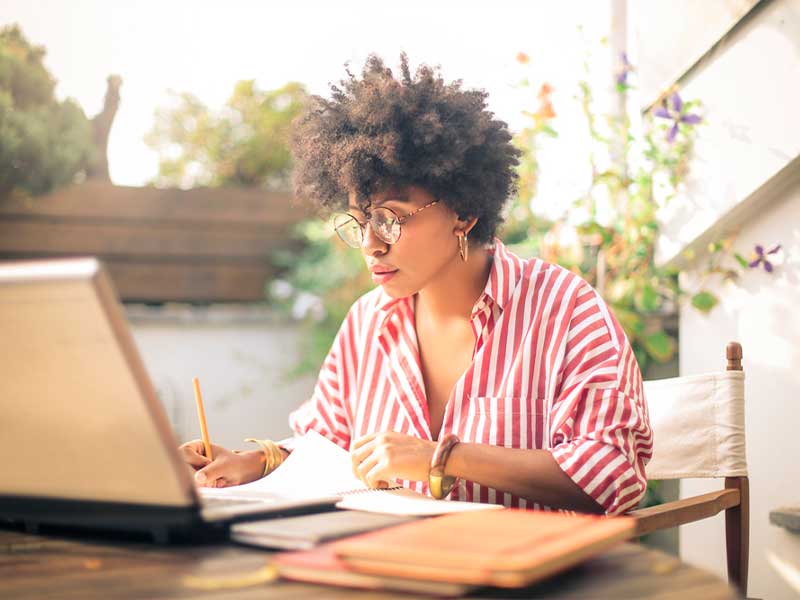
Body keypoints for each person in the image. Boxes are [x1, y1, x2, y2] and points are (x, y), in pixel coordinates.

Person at [180, 54, 652, 515]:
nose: (370, 244)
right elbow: (326, 447)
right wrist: (255, 462)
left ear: (464, 212)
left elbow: (613, 475)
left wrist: (439, 458)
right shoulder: (368, 322)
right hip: (396, 571)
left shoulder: (564, 311)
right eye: (361, 221)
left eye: (391, 219)